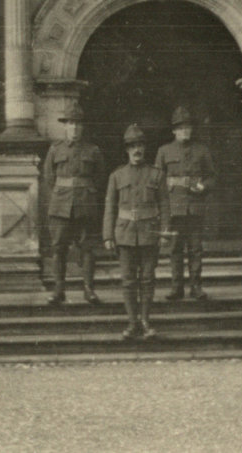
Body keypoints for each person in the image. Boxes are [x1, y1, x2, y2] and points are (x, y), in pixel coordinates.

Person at [103, 124, 171, 340]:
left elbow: (165, 205)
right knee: (128, 280)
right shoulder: (117, 176)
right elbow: (110, 207)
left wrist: (165, 232)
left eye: (139, 145)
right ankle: (133, 323)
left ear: (145, 148)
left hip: (150, 233)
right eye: (132, 146)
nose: (136, 150)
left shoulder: (156, 175)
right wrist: (107, 235)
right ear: (127, 150)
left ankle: (146, 322)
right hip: (124, 234)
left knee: (148, 279)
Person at [42, 101, 105, 305]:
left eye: (78, 124)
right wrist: (64, 193)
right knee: (59, 248)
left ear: (82, 126)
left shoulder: (93, 150)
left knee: (87, 248)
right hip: (61, 206)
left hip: (85, 206)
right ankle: (59, 290)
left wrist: (85, 192)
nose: (75, 128)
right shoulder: (55, 149)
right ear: (65, 126)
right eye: (71, 123)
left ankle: (88, 289)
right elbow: (49, 177)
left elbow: (100, 177)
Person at [154, 106, 217, 300]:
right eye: (181, 128)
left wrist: (203, 187)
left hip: (195, 207)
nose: (185, 131)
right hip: (174, 208)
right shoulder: (164, 151)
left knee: (196, 249)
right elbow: (157, 181)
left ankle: (196, 287)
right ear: (174, 130)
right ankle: (176, 287)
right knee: (175, 249)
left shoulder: (202, 150)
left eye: (188, 127)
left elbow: (212, 178)